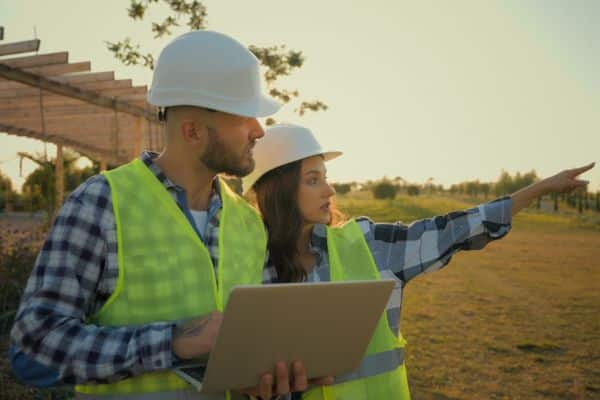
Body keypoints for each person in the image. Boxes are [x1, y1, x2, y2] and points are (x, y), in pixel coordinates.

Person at [9, 31, 326, 400]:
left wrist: (275, 374)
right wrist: (172, 343)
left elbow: (259, 343)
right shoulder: (100, 203)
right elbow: (32, 347)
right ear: (192, 130)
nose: (259, 130)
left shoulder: (249, 222)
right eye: (244, 116)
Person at [242, 123, 595, 400]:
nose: (329, 191)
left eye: (326, 178)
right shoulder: (241, 265)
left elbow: (449, 231)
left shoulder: (367, 244)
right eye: (313, 180)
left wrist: (536, 190)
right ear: (280, 189)